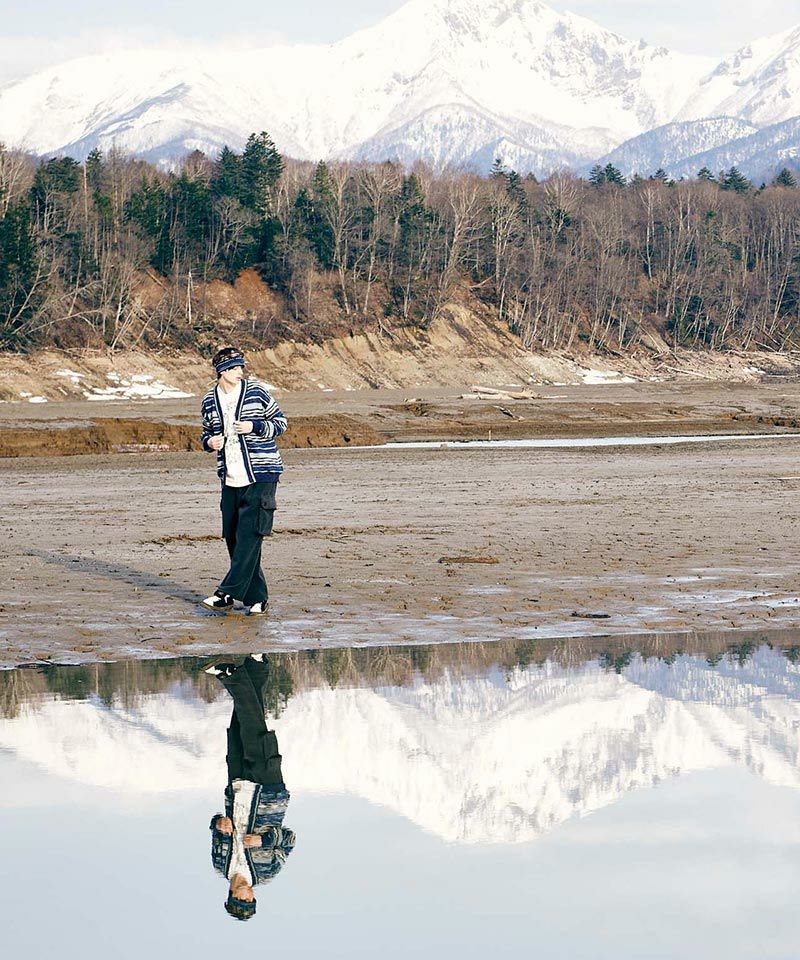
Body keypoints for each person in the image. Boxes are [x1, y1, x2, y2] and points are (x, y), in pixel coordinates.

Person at [207, 654, 295, 921]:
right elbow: (289, 840)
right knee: (255, 731)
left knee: (238, 730)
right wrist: (263, 841)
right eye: (250, 901)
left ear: (232, 895)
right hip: (267, 793)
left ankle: (256, 667)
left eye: (242, 900)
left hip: (237, 791)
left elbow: (215, 828)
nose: (248, 896)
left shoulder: (220, 865)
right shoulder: (267, 873)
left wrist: (220, 824)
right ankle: (230, 674)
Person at [200, 347, 288, 614]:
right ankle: (257, 598)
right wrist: (209, 442)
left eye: (241, 367)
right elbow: (205, 433)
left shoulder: (257, 392)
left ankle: (226, 593)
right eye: (236, 367)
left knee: (250, 535)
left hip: (262, 474)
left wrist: (255, 427)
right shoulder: (209, 400)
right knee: (234, 538)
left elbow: (281, 423)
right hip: (229, 477)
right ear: (222, 372)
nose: (241, 372)